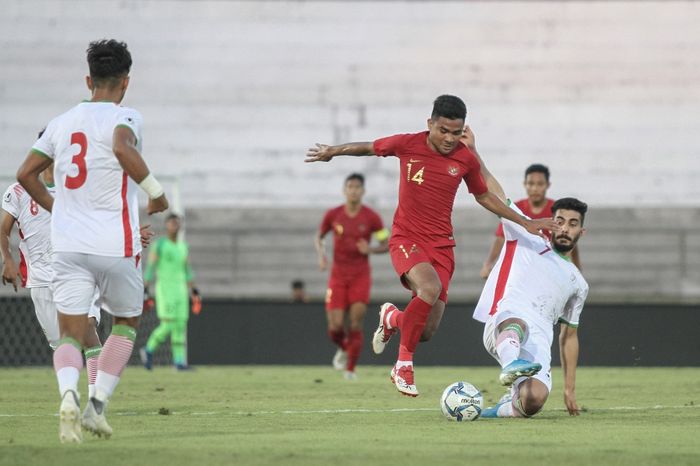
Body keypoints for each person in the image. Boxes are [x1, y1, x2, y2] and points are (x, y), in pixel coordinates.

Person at [305, 95, 558, 397]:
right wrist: (333, 151)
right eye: (443, 131)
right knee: (429, 289)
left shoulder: (464, 158)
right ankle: (403, 365)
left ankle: (392, 318)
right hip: (406, 239)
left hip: (442, 247)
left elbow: (483, 196)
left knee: (425, 331)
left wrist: (524, 222)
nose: (450, 138)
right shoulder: (407, 144)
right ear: (430, 124)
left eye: (456, 132)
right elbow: (370, 147)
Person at [16, 39, 168, 443]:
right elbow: (121, 146)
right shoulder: (126, 116)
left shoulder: (60, 122)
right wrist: (156, 192)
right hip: (115, 244)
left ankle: (68, 395)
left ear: (88, 79)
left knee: (70, 333)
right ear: (126, 83)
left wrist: (57, 207)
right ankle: (96, 406)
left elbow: (25, 173)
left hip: (68, 246)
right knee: (127, 323)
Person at [473, 185, 588, 418]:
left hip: (539, 341)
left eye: (572, 224)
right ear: (551, 221)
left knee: (534, 400)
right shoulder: (527, 234)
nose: (565, 228)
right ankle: (509, 365)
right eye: (560, 221)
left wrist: (569, 389)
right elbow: (494, 190)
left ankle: (501, 408)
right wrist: (472, 154)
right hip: (505, 321)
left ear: (581, 232)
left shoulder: (579, 284)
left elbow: (569, 337)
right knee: (518, 324)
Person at [1, 152, 104, 400]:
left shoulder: (78, 187)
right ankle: (69, 394)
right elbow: (3, 231)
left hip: (79, 272)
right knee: (63, 345)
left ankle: (95, 401)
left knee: (88, 330)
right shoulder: (18, 191)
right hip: (41, 280)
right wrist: (8, 259)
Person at [314, 173, 389, 380]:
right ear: (344, 190)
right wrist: (322, 257)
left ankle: (350, 370)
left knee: (356, 323)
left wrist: (371, 249)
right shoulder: (333, 215)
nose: (354, 190)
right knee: (335, 326)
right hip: (338, 275)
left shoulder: (372, 217)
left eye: (357, 187)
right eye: (350, 187)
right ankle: (345, 348)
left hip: (360, 276)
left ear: (363, 191)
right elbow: (319, 237)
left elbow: (386, 243)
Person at [480, 164, 581, 278]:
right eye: (531, 184)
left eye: (540, 184)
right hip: (521, 269)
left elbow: (570, 241)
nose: (535, 189)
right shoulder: (516, 208)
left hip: (550, 269)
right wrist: (488, 263)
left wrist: (577, 272)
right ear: (525, 184)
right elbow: (500, 238)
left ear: (547, 185)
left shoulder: (557, 211)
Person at [140, 213, 199, 371]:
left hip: (181, 291)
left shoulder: (183, 247)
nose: (175, 226)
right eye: (172, 223)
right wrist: (146, 287)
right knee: (168, 324)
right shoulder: (159, 245)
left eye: (177, 223)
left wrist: (194, 290)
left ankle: (179, 362)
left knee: (180, 325)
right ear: (166, 225)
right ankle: (148, 349)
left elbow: (187, 270)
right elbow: (151, 267)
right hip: (165, 290)